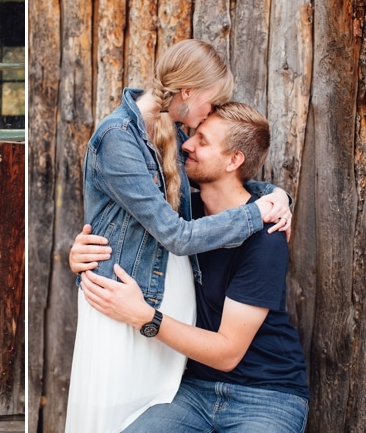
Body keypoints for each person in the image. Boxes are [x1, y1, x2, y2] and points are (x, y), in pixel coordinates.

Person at [64, 39, 291, 432]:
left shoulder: (164, 136)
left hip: (196, 349)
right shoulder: (123, 136)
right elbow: (164, 230)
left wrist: (276, 196)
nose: (197, 129)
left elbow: (165, 211)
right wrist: (80, 252)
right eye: (209, 104)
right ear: (187, 93)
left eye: (203, 139)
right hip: (141, 316)